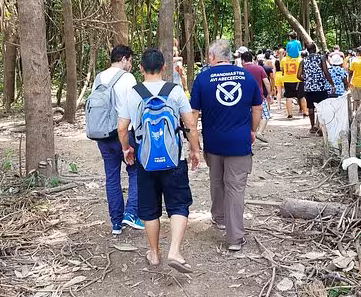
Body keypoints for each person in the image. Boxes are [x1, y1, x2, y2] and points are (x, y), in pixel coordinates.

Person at [117, 49, 201, 273]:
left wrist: (127, 150)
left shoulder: (133, 93)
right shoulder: (175, 91)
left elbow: (122, 128)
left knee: (149, 208)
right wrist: (195, 150)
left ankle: (154, 254)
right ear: (164, 68)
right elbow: (190, 125)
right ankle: (174, 250)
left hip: (145, 160)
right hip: (174, 159)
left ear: (141, 69)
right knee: (179, 204)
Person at [190, 40, 262, 251]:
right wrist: (252, 130)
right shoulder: (246, 77)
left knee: (217, 180)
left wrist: (194, 142)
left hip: (213, 142)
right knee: (236, 187)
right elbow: (257, 107)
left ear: (212, 57)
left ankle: (219, 217)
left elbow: (193, 115)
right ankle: (235, 238)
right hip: (239, 142)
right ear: (229, 56)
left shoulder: (203, 78)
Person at [94, 45, 144, 235]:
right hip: (124, 133)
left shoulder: (99, 78)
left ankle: (116, 223)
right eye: (130, 61)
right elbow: (134, 107)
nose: (130, 65)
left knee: (112, 177)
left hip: (103, 135)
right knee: (135, 171)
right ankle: (131, 214)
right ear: (123, 59)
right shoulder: (127, 78)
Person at [297, 43, 335, 134]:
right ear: (315, 49)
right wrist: (332, 84)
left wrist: (306, 79)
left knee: (310, 107)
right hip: (321, 86)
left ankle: (312, 126)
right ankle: (321, 127)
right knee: (321, 107)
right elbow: (326, 72)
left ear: (307, 50)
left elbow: (298, 75)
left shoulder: (303, 60)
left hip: (308, 88)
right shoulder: (321, 58)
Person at [242, 50, 272, 141]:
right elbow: (266, 82)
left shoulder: (240, 70)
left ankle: (248, 134)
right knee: (265, 115)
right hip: (259, 96)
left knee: (247, 117)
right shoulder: (259, 68)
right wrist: (269, 94)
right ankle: (258, 132)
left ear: (243, 61)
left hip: (244, 98)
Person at [281, 49, 307, 119]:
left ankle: (290, 114)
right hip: (298, 80)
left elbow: (282, 70)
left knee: (289, 97)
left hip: (287, 80)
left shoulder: (283, 60)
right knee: (302, 96)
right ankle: (305, 112)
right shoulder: (300, 59)